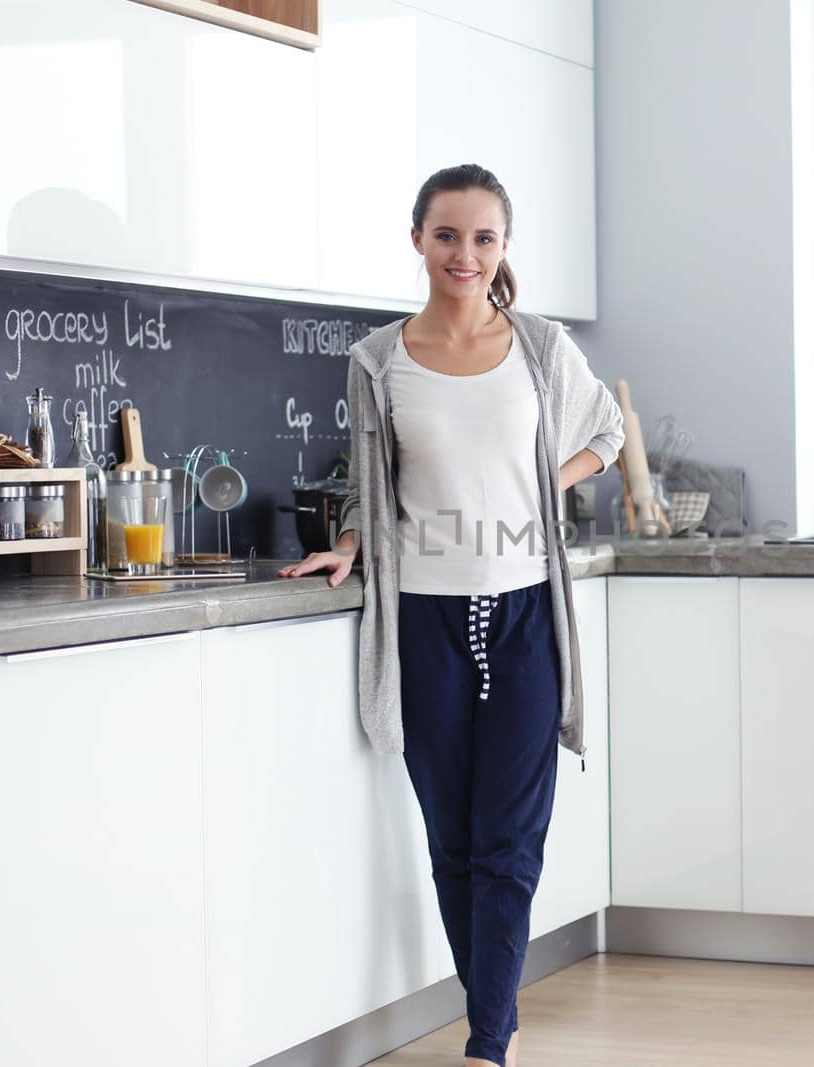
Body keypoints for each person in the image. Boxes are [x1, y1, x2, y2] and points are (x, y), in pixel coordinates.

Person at [278, 163, 624, 1067]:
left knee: (509, 839)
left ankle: (486, 1042)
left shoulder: (542, 348)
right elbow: (370, 479)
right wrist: (352, 543)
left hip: (522, 615)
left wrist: (544, 485)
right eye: (446, 235)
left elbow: (606, 434)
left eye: (482, 238)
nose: (463, 254)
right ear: (419, 241)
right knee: (452, 839)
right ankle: (495, 1015)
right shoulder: (377, 360)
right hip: (422, 618)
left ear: (503, 247)